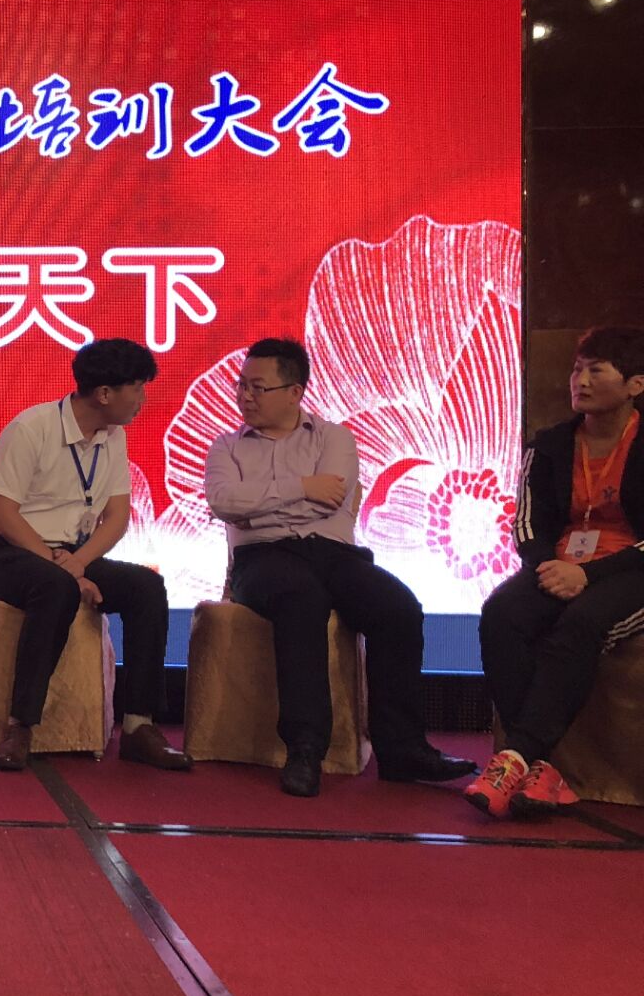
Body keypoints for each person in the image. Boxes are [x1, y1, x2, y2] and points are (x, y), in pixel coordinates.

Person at [203, 337, 475, 797]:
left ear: (295, 392)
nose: (244, 396)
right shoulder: (226, 447)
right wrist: (302, 487)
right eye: (241, 385)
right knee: (300, 599)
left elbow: (330, 500)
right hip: (262, 558)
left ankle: (402, 750)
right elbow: (224, 502)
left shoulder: (334, 438)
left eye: (257, 387)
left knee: (398, 607)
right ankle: (306, 748)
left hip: (333, 553)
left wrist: (261, 504)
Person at [0, 337, 189, 773]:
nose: (143, 400)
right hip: (10, 551)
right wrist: (66, 569)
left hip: (73, 555)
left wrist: (80, 562)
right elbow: (3, 512)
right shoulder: (32, 427)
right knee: (55, 587)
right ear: (104, 393)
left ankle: (139, 725)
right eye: (137, 389)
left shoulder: (114, 437)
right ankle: (20, 726)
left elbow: (117, 516)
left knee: (147, 587)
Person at [468, 326, 644, 818]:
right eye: (576, 370)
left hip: (632, 567)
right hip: (560, 564)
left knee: (581, 623)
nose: (580, 381)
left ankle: (515, 756)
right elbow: (526, 524)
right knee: (502, 614)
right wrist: (550, 567)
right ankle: (539, 768)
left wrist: (589, 576)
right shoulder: (549, 444)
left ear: (635, 385)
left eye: (596, 371)